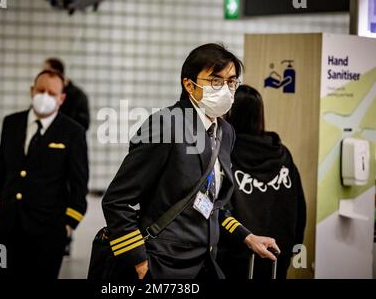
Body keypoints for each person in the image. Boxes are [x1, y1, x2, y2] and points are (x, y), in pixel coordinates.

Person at [101, 43, 280, 280]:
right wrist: (139, 261)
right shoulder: (166, 124)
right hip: (161, 264)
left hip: (205, 262)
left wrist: (247, 236)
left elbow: (213, 204)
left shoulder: (225, 132)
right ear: (189, 84)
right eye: (215, 80)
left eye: (231, 82)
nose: (225, 89)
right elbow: (117, 201)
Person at [0, 70, 89, 279]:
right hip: (6, 224)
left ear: (61, 98)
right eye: (41, 90)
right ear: (32, 91)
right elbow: (1, 170)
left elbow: (79, 184)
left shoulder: (73, 132)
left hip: (48, 231)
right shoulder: (11, 123)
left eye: (52, 93)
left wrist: (68, 225)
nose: (45, 96)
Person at [217, 85, 306, 279]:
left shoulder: (225, 154)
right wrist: (293, 248)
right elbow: (300, 207)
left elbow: (218, 208)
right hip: (276, 254)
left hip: (235, 257)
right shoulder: (282, 154)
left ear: (229, 114)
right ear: (260, 115)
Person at [43, 58, 90, 130]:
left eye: (45, 72)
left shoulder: (78, 95)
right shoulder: (45, 93)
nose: (42, 75)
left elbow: (84, 124)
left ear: (55, 72)